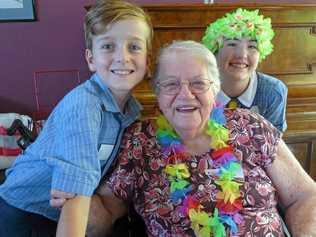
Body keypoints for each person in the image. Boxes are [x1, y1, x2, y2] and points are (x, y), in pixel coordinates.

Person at [89, 40, 316, 236]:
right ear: (156, 92)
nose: (186, 95)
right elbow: (106, 212)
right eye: (171, 84)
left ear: (215, 87)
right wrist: (67, 190)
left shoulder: (250, 125)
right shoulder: (140, 142)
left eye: (198, 83)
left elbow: (304, 195)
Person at [0, 0, 153, 236]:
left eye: (134, 47)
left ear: (147, 61)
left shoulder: (131, 110)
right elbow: (75, 194)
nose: (122, 57)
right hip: (23, 209)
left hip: (53, 211)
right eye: (108, 46)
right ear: (91, 59)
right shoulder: (85, 106)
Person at [202, 8, 288, 132]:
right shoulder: (198, 87)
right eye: (232, 44)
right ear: (215, 51)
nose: (242, 55)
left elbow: (274, 145)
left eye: (252, 46)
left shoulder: (273, 91)